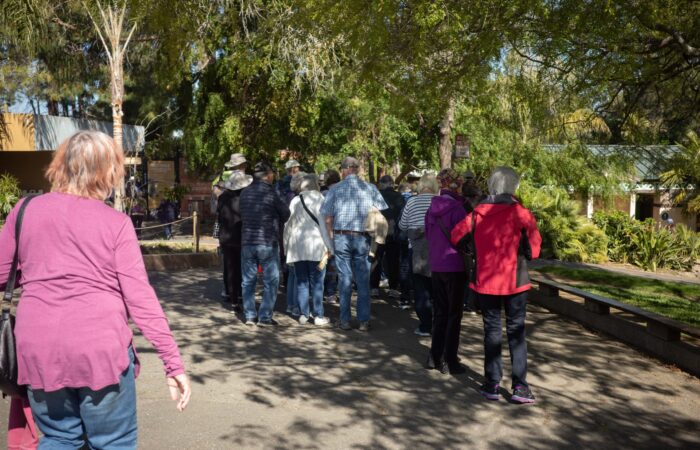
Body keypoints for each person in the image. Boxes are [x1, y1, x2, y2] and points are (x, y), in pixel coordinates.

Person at [0, 130, 191, 448]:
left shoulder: (24, 211)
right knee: (113, 441)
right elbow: (140, 299)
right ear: (109, 173)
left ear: (61, 165)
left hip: (39, 348)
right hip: (100, 351)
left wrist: (39, 269)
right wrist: (173, 363)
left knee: (59, 437)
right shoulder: (116, 223)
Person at [451, 166, 542, 404]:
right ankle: (520, 387)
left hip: (486, 280)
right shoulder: (521, 212)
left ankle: (491, 383)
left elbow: (455, 236)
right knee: (516, 332)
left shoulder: (477, 213)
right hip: (515, 281)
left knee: (491, 331)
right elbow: (535, 248)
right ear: (513, 186)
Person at [321, 156, 388, 331]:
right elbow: (380, 212)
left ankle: (344, 320)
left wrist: (330, 240)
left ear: (344, 170)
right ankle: (364, 321)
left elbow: (327, 218)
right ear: (357, 169)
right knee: (363, 280)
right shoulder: (370, 188)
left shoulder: (335, 189)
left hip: (341, 236)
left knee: (344, 279)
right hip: (362, 237)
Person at [424, 168, 467, 374]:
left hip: (436, 265)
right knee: (453, 314)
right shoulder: (458, 209)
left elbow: (427, 234)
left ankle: (435, 355)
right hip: (454, 265)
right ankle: (449, 359)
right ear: (456, 184)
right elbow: (464, 237)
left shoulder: (431, 208)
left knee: (439, 313)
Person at [240, 161, 290, 326]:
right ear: (268, 176)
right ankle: (265, 316)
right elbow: (286, 213)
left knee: (248, 280)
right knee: (271, 280)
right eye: (272, 174)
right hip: (267, 241)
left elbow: (242, 213)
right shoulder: (272, 193)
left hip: (247, 241)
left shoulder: (245, 193)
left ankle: (249, 315)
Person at [283, 174, 334, 325]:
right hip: (317, 247)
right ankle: (318, 315)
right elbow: (324, 226)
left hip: (298, 248)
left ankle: (304, 314)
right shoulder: (320, 199)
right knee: (318, 282)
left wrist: (286, 248)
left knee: (302, 282)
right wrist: (330, 247)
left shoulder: (295, 201)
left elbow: (288, 226)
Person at [399, 174, 439, 337]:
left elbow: (402, 225)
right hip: (437, 249)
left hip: (417, 251)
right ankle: (438, 322)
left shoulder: (412, 201)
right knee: (436, 287)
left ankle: (425, 325)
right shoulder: (439, 201)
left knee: (421, 288)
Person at [218, 171, 253, 312]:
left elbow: (219, 215)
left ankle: (233, 298)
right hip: (241, 237)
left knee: (230, 268)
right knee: (243, 268)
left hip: (226, 237)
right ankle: (240, 295)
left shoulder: (222, 198)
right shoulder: (245, 197)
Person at [369, 175, 405, 303]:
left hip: (378, 232)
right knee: (393, 261)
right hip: (393, 233)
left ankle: (374, 288)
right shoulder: (399, 196)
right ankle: (393, 288)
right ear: (392, 184)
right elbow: (401, 214)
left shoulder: (376, 195)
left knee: (376, 259)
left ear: (381, 184)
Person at [321, 169, 341, 303]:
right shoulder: (342, 193)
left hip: (324, 232)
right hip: (340, 232)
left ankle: (323, 291)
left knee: (324, 263)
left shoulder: (323, 194)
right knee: (335, 265)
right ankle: (332, 292)